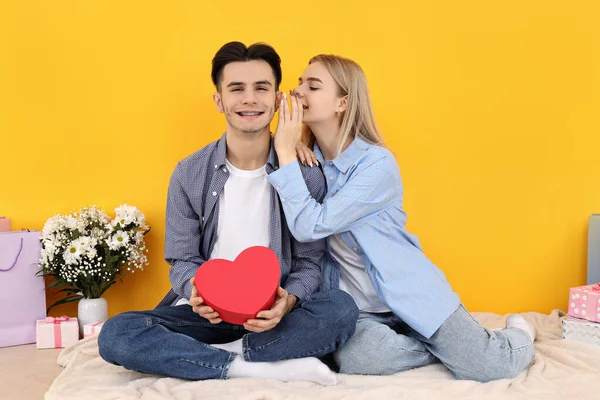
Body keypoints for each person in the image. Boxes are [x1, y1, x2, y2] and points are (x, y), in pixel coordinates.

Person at [97, 42, 358, 386]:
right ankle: (252, 364)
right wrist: (195, 289)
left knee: (340, 308)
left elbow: (310, 262)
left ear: (278, 98)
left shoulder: (305, 174)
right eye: (237, 89)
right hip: (205, 315)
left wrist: (289, 301)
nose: (249, 99)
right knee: (116, 332)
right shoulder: (189, 173)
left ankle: (218, 357)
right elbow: (182, 258)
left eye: (261, 88)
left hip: (272, 315)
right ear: (219, 100)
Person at [267, 54, 537, 382]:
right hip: (361, 311)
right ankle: (440, 349)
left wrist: (284, 150)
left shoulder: (376, 165)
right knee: (357, 357)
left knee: (492, 367)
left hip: (413, 294)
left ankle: (519, 333)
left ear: (342, 102)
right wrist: (290, 150)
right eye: (298, 83)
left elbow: (311, 225)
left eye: (313, 85)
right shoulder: (305, 163)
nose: (297, 92)